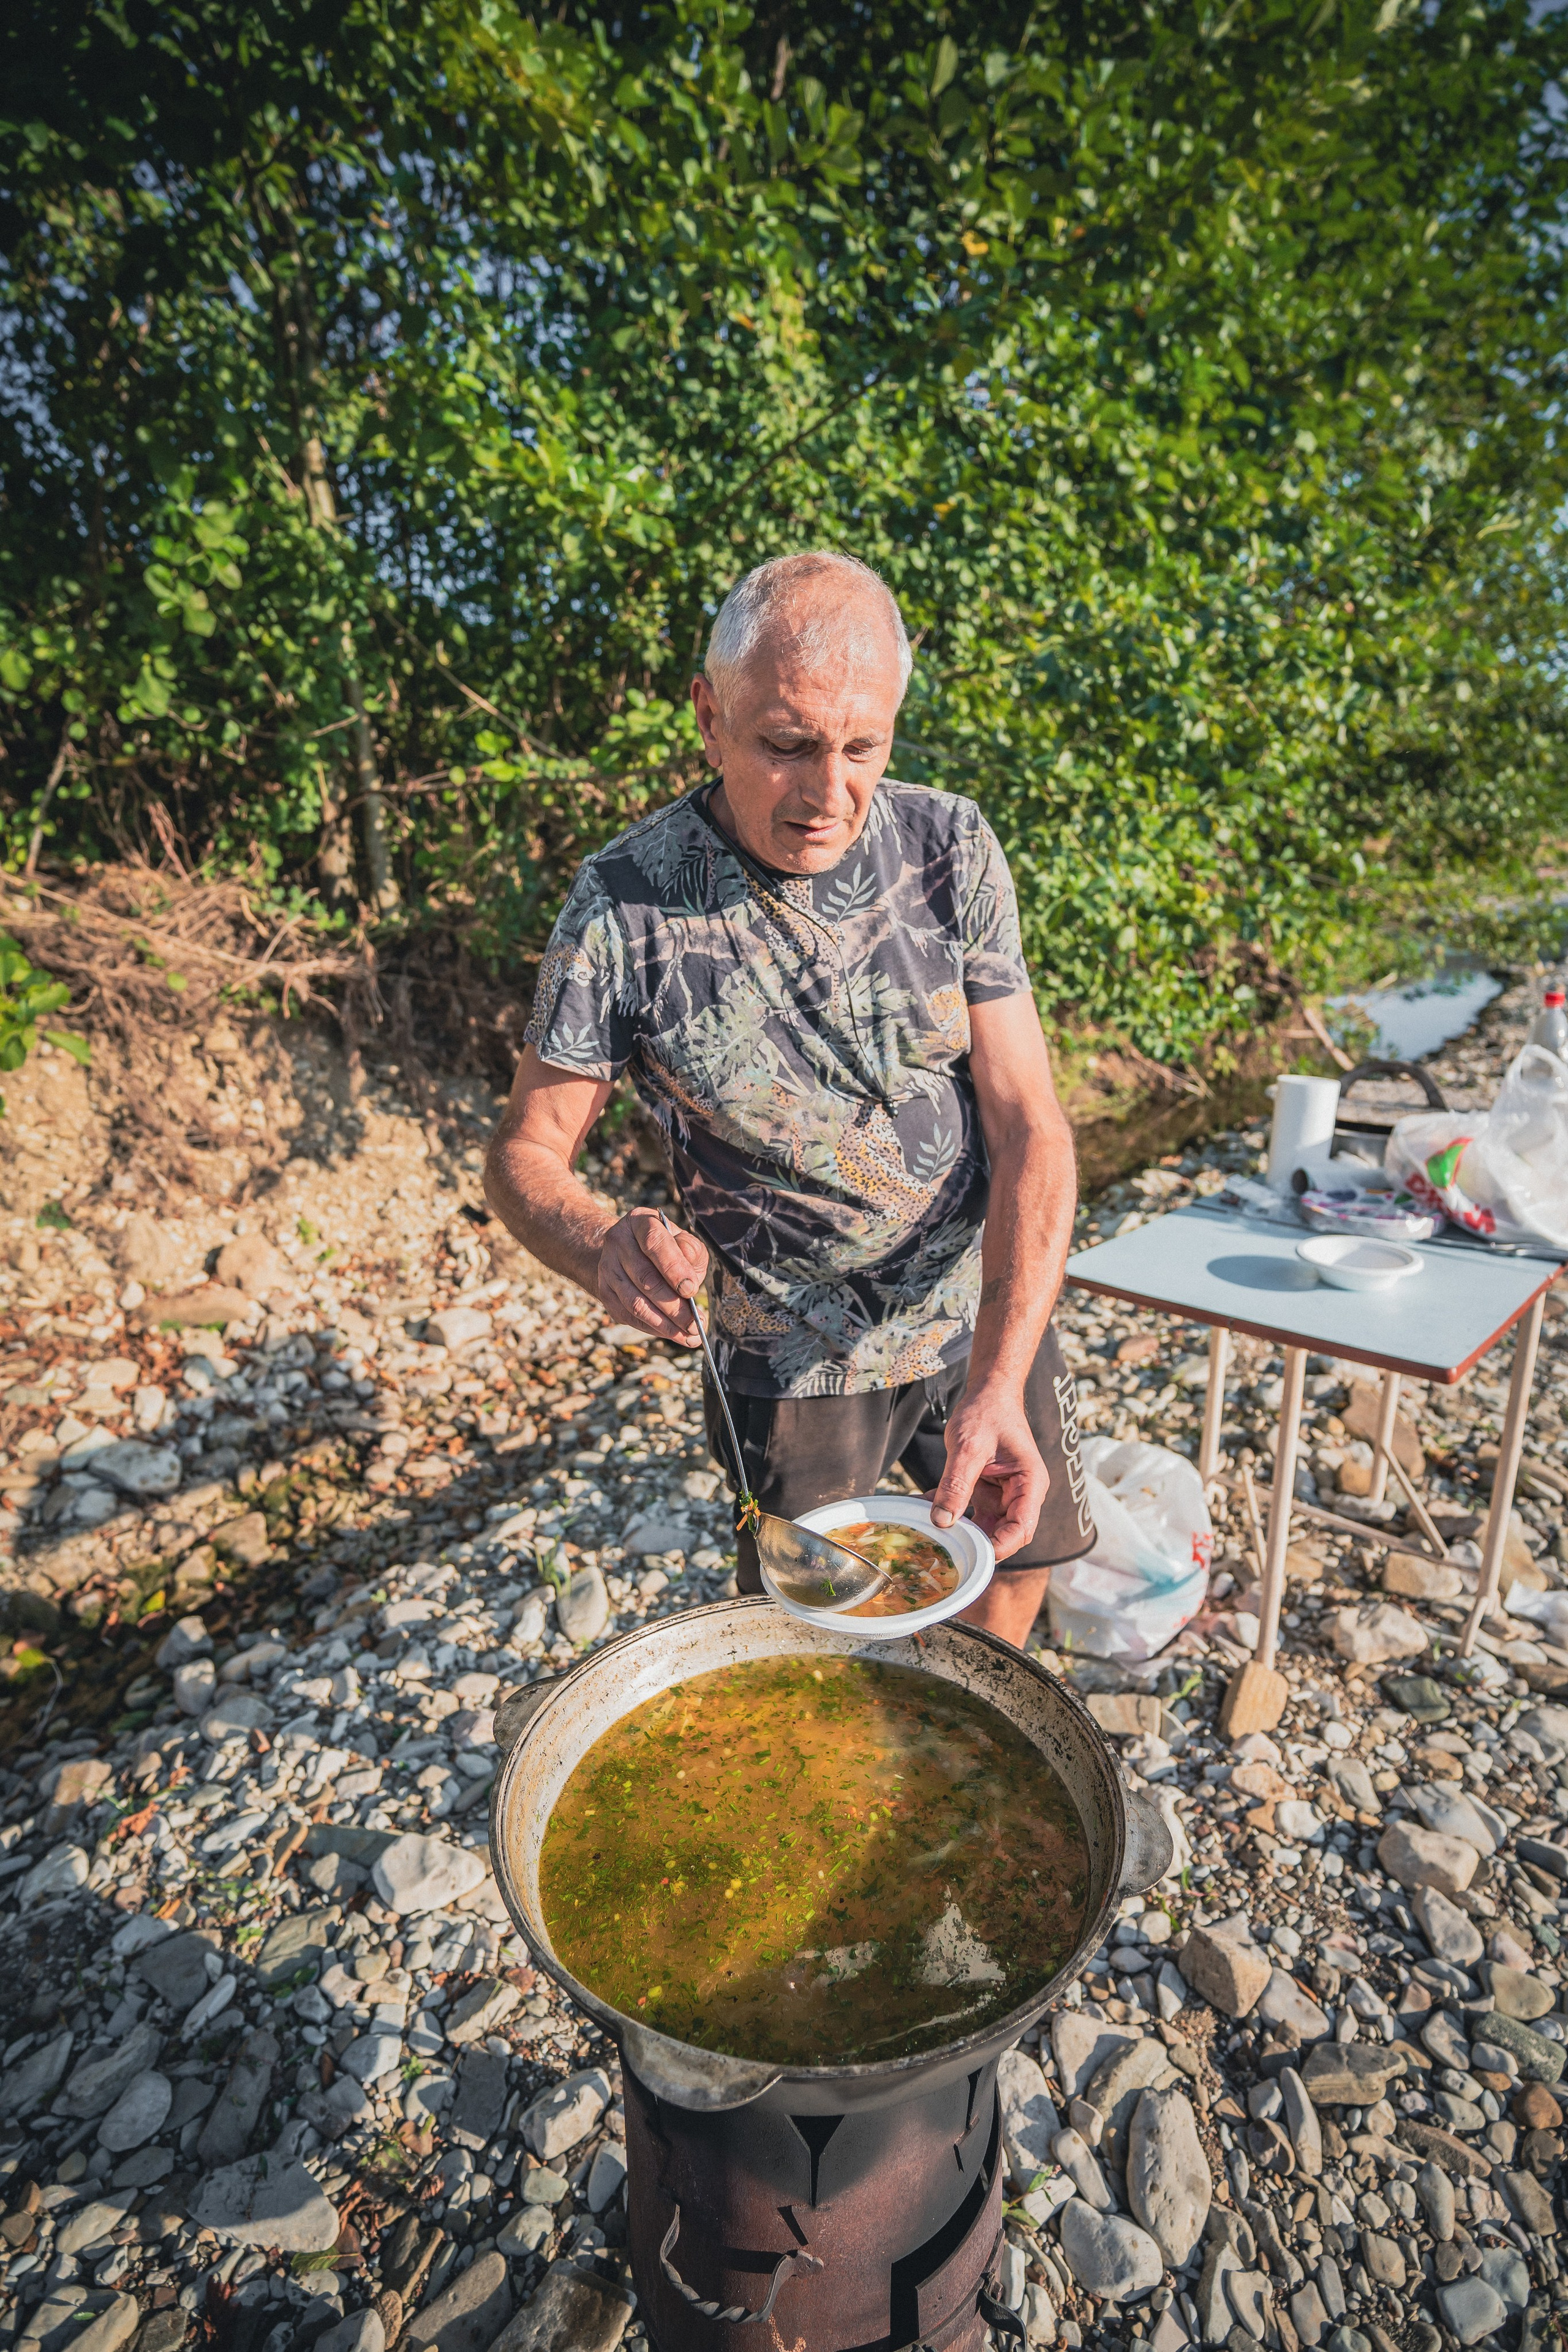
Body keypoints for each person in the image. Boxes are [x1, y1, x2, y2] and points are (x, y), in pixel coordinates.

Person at [483, 551, 1092, 1645]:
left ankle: (975, 1721)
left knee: (1016, 1552)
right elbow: (526, 1149)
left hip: (980, 1303)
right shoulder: (624, 906)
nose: (828, 795)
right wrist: (599, 1242)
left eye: (863, 748)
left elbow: (1030, 1125)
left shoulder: (950, 846)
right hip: (789, 1355)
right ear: (708, 718)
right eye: (786, 746)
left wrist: (1002, 1373)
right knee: (814, 1630)